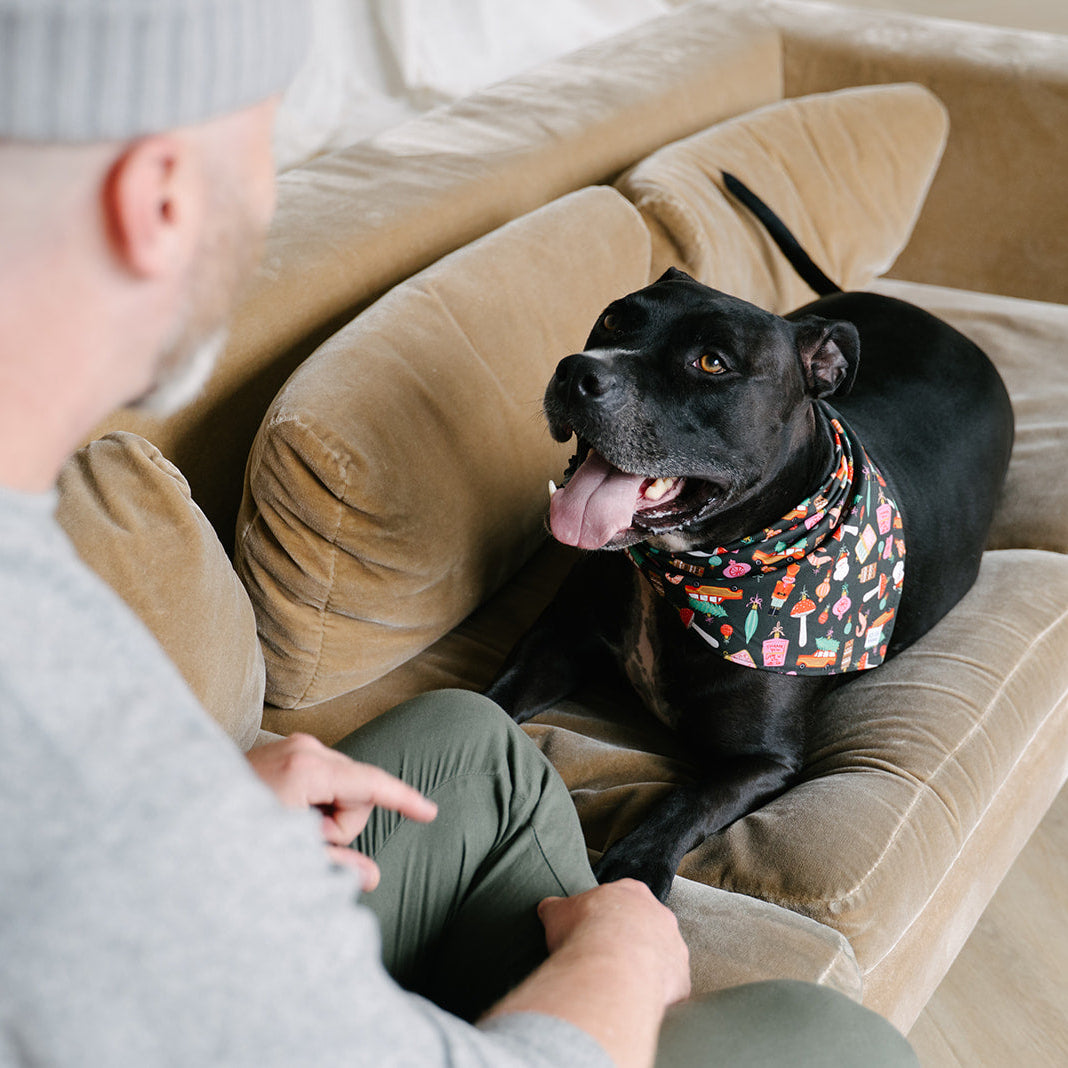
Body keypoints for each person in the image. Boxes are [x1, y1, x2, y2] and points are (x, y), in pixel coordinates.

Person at [0, 2, 919, 1065]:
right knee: (823, 1037)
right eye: (260, 148)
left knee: (467, 739)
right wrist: (619, 959)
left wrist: (200, 820)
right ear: (157, 199)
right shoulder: (56, 716)